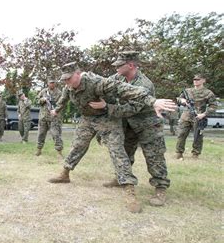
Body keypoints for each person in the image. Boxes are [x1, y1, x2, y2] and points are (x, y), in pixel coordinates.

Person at [48, 62, 176, 213]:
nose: (67, 83)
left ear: (78, 74)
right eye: (64, 80)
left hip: (106, 118)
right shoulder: (68, 86)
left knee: (117, 151)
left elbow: (123, 89)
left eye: (69, 79)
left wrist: (152, 101)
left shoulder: (97, 82)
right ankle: (65, 173)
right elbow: (64, 98)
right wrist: (56, 110)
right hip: (87, 119)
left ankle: (129, 190)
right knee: (78, 145)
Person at [100, 51, 171, 206]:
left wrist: (106, 107)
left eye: (120, 65)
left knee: (154, 157)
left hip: (148, 125)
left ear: (131, 65)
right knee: (124, 153)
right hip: (128, 125)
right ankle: (121, 178)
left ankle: (160, 188)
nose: (116, 68)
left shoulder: (145, 85)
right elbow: (103, 84)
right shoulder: (117, 78)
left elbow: (130, 109)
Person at [175, 74, 218, 159]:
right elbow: (179, 99)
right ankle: (179, 153)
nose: (195, 81)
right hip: (186, 116)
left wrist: (204, 114)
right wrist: (183, 101)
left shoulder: (208, 93)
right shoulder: (187, 91)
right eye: (194, 79)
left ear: (203, 80)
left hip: (199, 116)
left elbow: (213, 106)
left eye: (198, 79)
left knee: (198, 136)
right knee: (181, 134)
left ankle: (195, 154)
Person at [36, 79, 63, 158]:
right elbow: (37, 101)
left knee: (56, 135)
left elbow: (62, 104)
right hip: (43, 117)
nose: (52, 84)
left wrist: (56, 110)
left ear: (55, 83)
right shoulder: (43, 92)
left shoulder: (59, 93)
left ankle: (59, 152)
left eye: (53, 83)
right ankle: (39, 150)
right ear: (48, 83)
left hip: (54, 118)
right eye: (50, 83)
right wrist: (42, 99)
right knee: (41, 134)